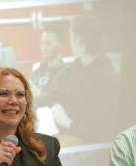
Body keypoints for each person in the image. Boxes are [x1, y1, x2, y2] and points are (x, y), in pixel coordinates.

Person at [37, 13, 116, 145]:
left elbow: (101, 130)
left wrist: (67, 122)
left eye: (71, 36)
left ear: (78, 39)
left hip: (88, 141)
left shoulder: (105, 76)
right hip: (68, 131)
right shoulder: (76, 66)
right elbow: (52, 95)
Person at [30, 24, 68, 100]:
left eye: (48, 43)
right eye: (42, 43)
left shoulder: (65, 72)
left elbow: (54, 99)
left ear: (60, 45)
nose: (44, 48)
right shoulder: (38, 70)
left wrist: (36, 91)